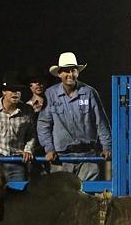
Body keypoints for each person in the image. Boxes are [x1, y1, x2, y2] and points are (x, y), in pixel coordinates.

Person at [37, 52, 111, 181]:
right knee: (62, 197)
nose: (70, 74)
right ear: (59, 73)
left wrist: (106, 147)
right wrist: (49, 148)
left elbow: (101, 122)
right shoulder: (50, 94)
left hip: (87, 156)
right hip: (61, 158)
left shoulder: (89, 92)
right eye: (66, 71)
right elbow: (44, 124)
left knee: (87, 196)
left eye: (73, 70)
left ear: (77, 72)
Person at [0, 71, 36, 181]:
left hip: (18, 161)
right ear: (4, 91)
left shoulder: (27, 110)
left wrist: (28, 150)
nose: (16, 93)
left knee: (19, 195)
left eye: (18, 90)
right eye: (12, 90)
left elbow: (31, 134)